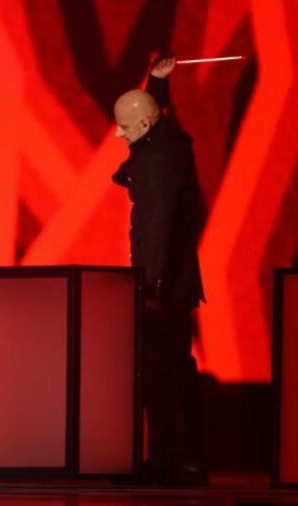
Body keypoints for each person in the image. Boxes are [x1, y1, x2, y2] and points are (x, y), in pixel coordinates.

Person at [111, 58, 207, 486]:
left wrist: (152, 284)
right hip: (175, 283)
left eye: (125, 127)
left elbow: (157, 222)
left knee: (162, 375)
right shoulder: (169, 145)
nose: (120, 134)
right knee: (173, 372)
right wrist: (157, 83)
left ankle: (174, 464)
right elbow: (153, 119)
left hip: (162, 286)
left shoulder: (154, 161)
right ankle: (178, 462)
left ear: (144, 125)